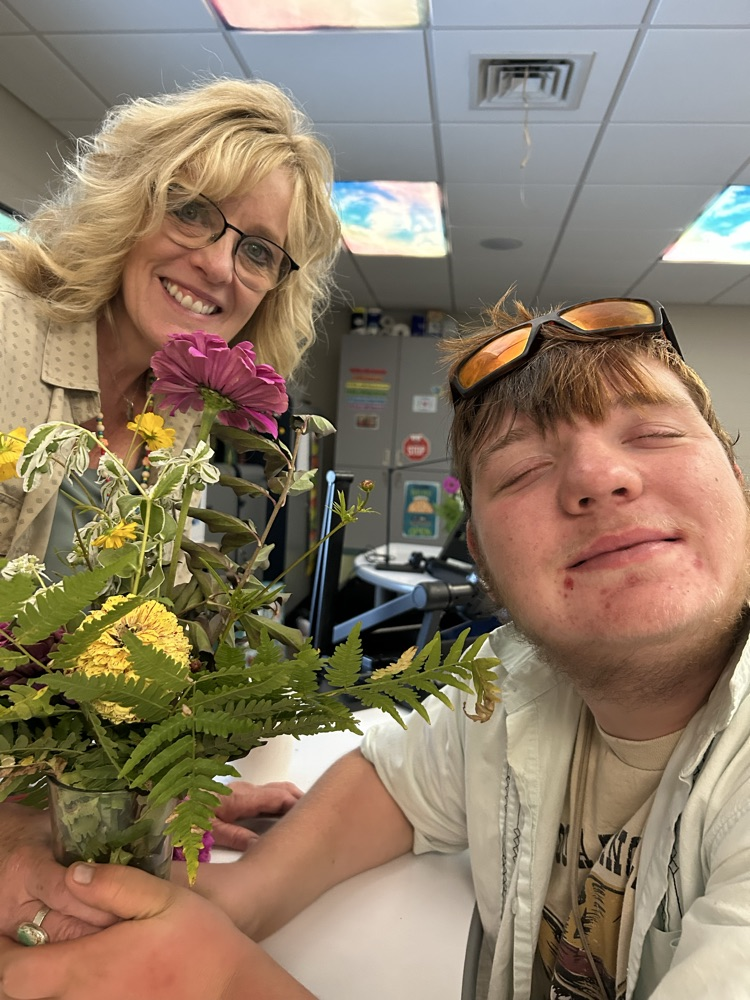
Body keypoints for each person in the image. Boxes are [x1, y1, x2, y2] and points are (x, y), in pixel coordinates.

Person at [5, 291, 750, 1000]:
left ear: (739, 479)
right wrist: (240, 901)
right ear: (483, 563)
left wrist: (219, 977)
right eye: (524, 469)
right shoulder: (509, 680)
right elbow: (393, 782)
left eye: (652, 433)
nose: (598, 477)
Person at [0, 75, 340, 950]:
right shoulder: (8, 325)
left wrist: (147, 781)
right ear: (126, 203)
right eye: (192, 212)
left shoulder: (181, 411)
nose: (221, 265)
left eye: (260, 251)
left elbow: (116, 645)